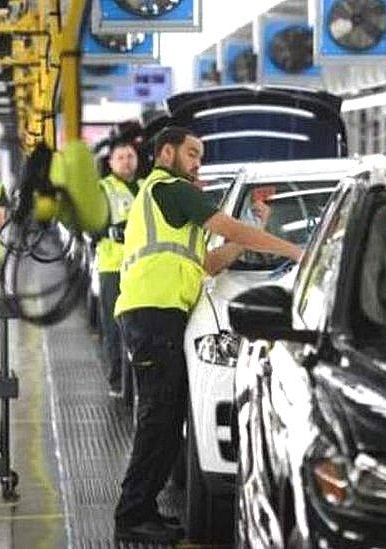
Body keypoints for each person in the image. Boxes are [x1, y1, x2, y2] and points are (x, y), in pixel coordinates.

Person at [112, 127, 302, 544]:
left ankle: (143, 510)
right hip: (152, 314)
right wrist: (297, 251)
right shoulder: (170, 189)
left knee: (166, 418)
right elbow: (231, 230)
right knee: (157, 419)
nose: (198, 162)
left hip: (159, 315)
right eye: (192, 153)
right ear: (167, 153)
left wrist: (255, 227)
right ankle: (131, 515)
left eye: (201, 155)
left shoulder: (170, 205)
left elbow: (212, 263)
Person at [96, 138, 140, 397]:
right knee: (114, 326)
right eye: (120, 157)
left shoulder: (146, 186)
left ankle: (135, 381)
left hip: (141, 268)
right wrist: (112, 230)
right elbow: (92, 223)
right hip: (113, 268)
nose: (126, 161)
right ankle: (116, 380)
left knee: (139, 327)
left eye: (130, 156)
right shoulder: (104, 188)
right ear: (111, 162)